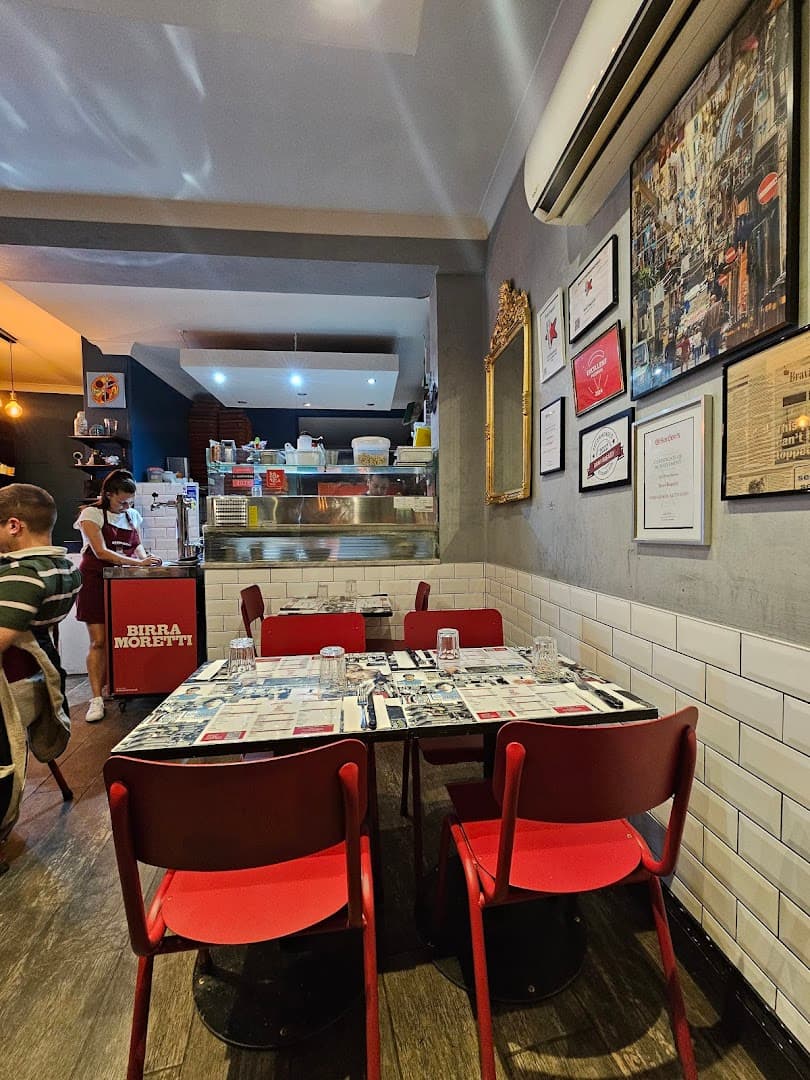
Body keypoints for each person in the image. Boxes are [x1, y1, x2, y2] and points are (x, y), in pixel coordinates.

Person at [0, 484, 82, 842]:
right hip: (38, 677)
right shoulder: (62, 568)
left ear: (14, 525)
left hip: (11, 691)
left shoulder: (24, 575)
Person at [75, 469, 161, 723]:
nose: (126, 507)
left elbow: (137, 548)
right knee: (99, 641)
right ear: (108, 495)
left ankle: (121, 687)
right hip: (95, 581)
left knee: (124, 638)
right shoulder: (90, 515)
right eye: (121, 501)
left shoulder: (132, 516)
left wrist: (147, 560)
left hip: (123, 585)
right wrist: (139, 564)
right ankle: (96, 699)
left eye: (130, 502)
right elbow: (100, 552)